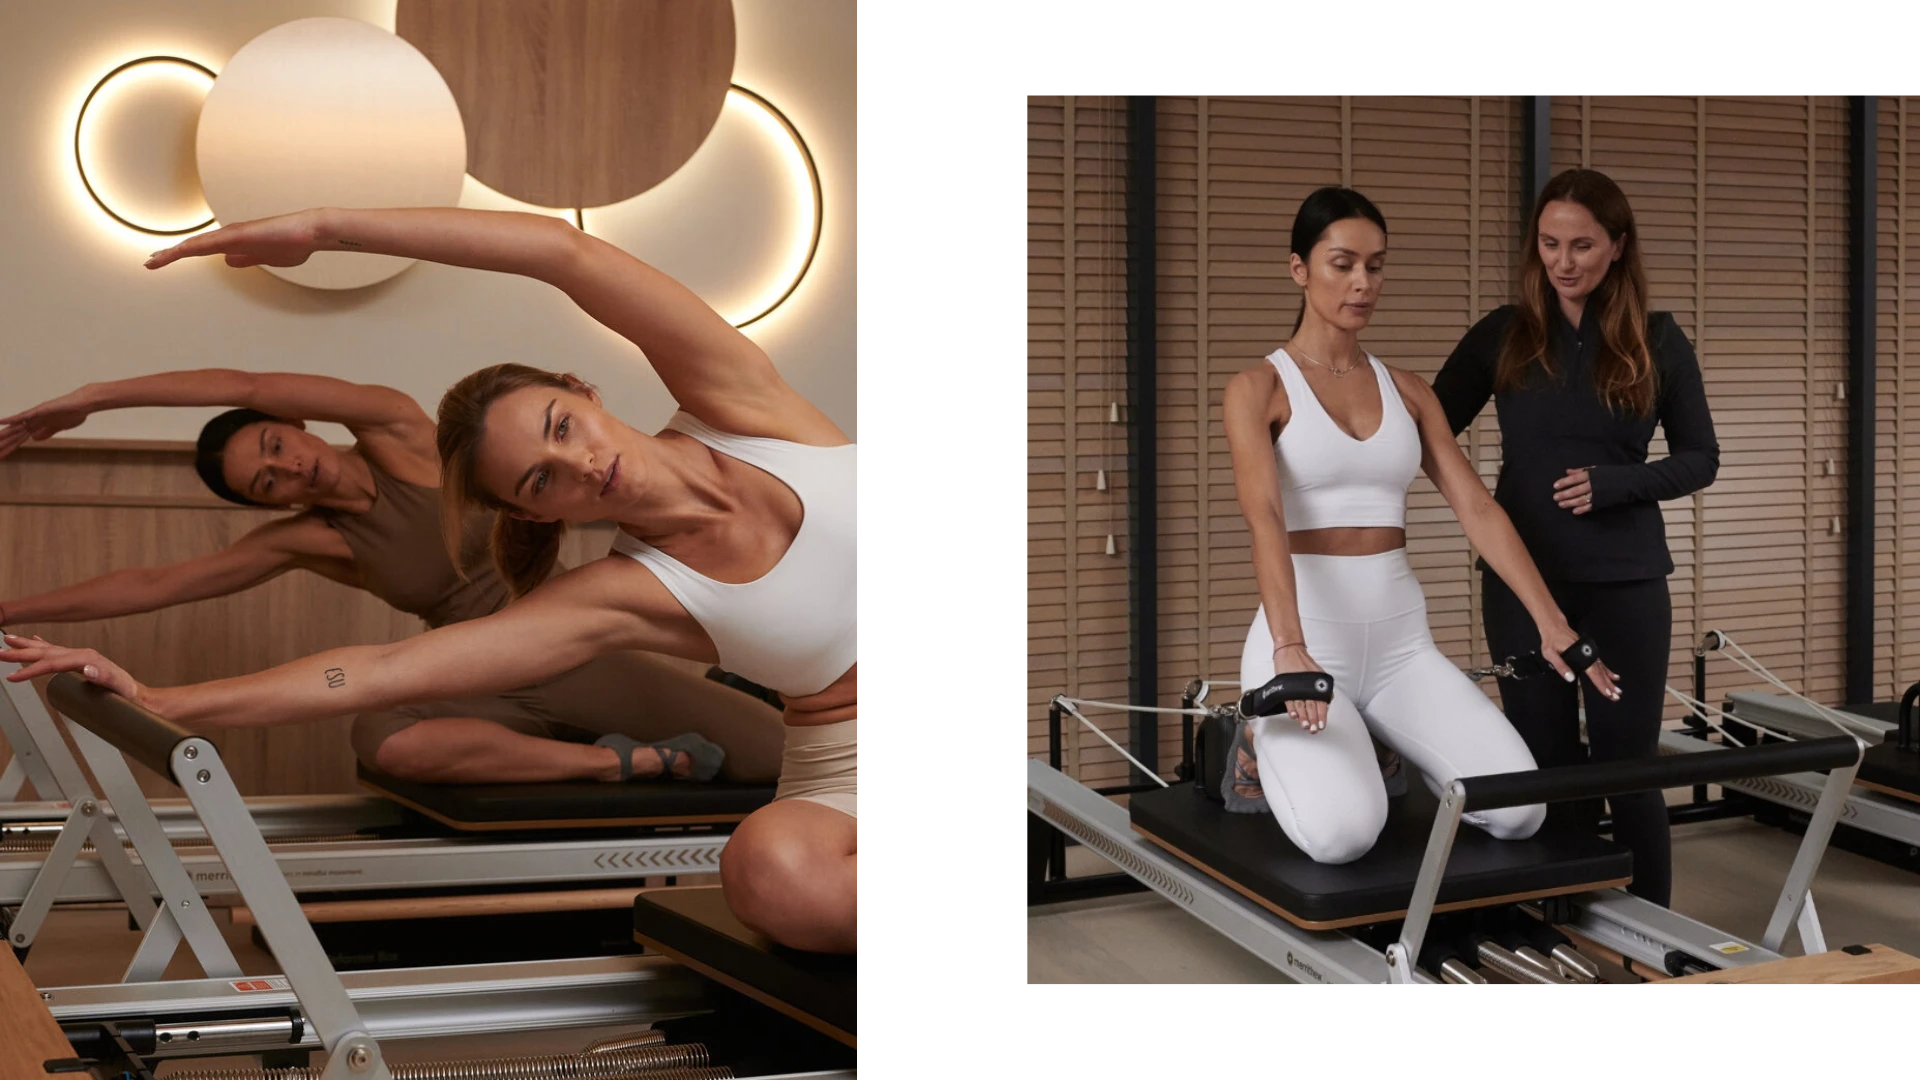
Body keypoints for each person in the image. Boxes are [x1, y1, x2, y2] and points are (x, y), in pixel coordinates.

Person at [3, 205, 862, 953]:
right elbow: (367, 667)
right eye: (539, 480)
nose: (579, 464)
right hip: (848, 749)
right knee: (767, 874)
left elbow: (565, 254)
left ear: (584, 390)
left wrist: (328, 229)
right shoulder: (612, 594)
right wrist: (159, 700)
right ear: (532, 517)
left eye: (563, 426)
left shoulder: (738, 399)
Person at [0, 370, 783, 786]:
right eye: (264, 484)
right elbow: (157, 584)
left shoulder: (401, 430)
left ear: (295, 426)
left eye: (273, 444)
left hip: (571, 648)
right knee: (383, 736)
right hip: (476, 671)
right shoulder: (313, 539)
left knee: (772, 756)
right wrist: (10, 609)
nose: (284, 467)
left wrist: (95, 398)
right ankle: (628, 763)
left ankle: (738, 706)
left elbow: (244, 381)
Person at [1224, 186, 1618, 865]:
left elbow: (1477, 508)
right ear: (1299, 269)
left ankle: (1373, 739)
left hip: (1402, 647)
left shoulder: (1407, 390)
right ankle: (1263, 742)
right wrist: (1289, 648)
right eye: (1342, 264)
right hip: (1306, 645)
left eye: (1375, 266)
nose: (1361, 283)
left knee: (1521, 809)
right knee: (1346, 834)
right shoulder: (1259, 387)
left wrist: (1554, 624)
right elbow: (1264, 517)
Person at [1432, 168, 1719, 907]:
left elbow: (1701, 458)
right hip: (1523, 588)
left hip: (1626, 587)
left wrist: (1616, 482)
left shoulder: (1656, 338)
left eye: (1584, 245)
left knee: (1629, 769)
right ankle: (1563, 923)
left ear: (1618, 247)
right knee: (1547, 764)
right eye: (1550, 243)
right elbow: (1425, 428)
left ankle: (1656, 936)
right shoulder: (1504, 334)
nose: (1564, 261)